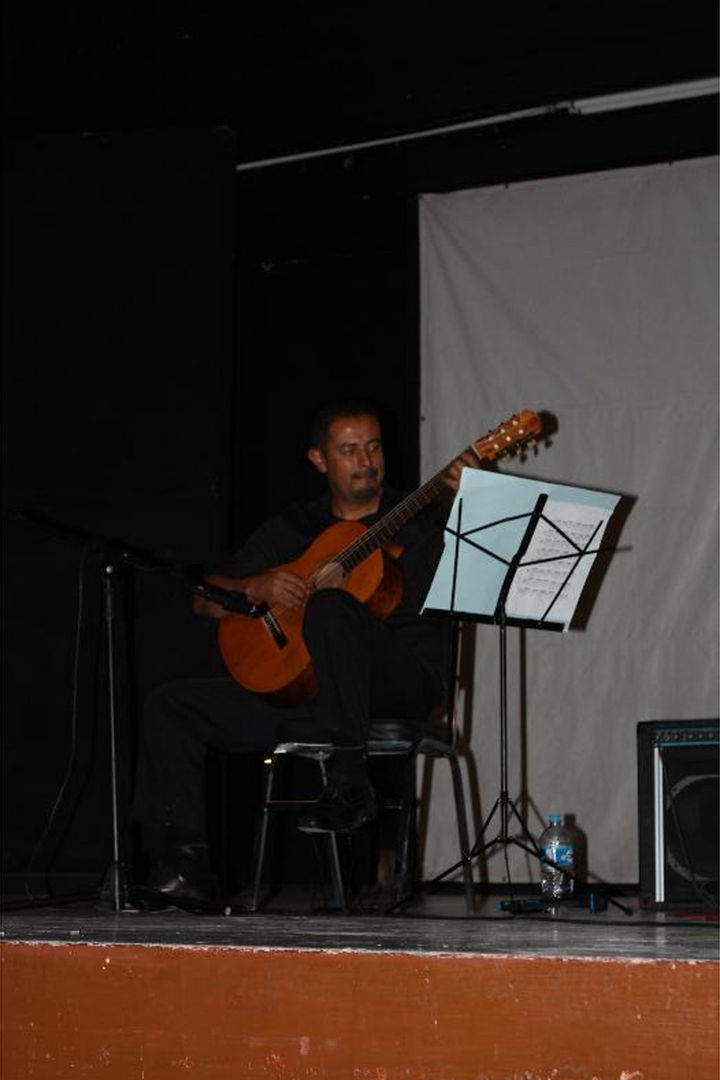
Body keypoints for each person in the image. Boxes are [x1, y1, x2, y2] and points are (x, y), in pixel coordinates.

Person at [133, 398, 476, 907]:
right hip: (311, 691)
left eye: (374, 447)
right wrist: (256, 586)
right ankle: (184, 868)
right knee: (170, 706)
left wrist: (467, 500)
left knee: (331, 606)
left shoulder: (422, 516)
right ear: (319, 459)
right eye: (350, 450)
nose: (367, 461)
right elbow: (203, 599)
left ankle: (348, 783)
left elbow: (476, 575)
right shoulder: (294, 527)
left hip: (399, 682)